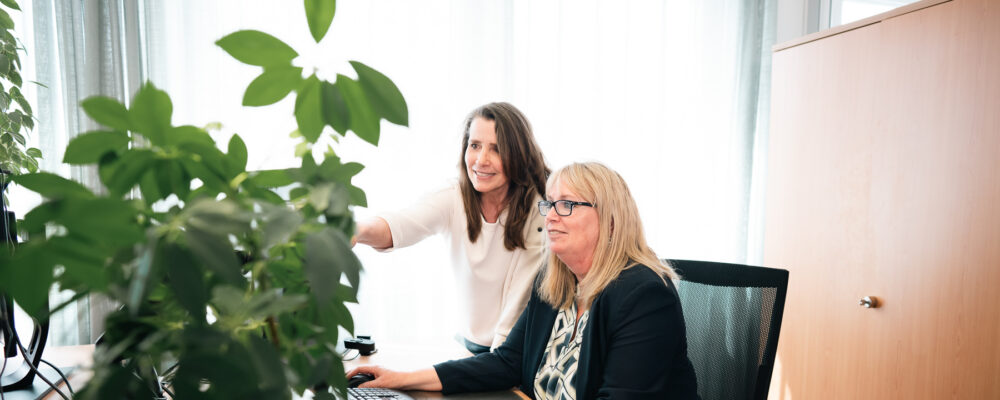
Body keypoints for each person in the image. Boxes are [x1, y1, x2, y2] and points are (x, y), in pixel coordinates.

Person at [347, 162, 700, 399]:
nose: (551, 217)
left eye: (567, 205)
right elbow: (507, 362)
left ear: (610, 219)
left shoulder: (645, 295)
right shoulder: (555, 281)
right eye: (549, 205)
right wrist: (401, 379)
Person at [353, 102, 550, 353]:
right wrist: (355, 230)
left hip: (516, 351)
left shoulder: (540, 210)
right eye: (475, 145)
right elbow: (401, 224)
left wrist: (493, 365)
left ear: (518, 154)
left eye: (496, 149)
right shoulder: (454, 197)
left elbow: (516, 307)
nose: (481, 160)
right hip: (470, 346)